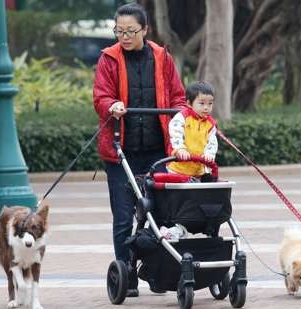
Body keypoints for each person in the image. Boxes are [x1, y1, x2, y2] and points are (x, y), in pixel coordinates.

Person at [93, 3, 186, 296]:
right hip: (121, 152)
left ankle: (161, 270)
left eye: (130, 31)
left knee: (160, 215)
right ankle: (126, 274)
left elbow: (179, 96)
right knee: (123, 218)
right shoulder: (108, 59)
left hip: (158, 151)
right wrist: (112, 105)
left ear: (145, 30)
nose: (124, 36)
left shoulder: (162, 57)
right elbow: (100, 96)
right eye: (119, 31)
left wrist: (184, 113)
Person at [167, 81, 218, 178]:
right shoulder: (182, 117)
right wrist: (180, 149)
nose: (206, 107)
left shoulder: (210, 124)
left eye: (210, 103)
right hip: (177, 169)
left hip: (198, 171)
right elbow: (175, 134)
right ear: (189, 103)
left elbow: (212, 142)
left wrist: (209, 154)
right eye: (202, 103)